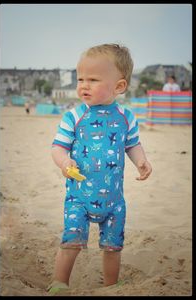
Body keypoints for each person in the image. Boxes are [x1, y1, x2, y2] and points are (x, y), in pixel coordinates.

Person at [49, 43, 152, 295]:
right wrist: (64, 162)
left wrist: (141, 160)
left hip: (114, 199)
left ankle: (111, 286)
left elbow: (133, 144)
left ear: (119, 86)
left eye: (93, 79)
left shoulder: (126, 117)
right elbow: (58, 147)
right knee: (71, 241)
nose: (84, 85)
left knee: (113, 246)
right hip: (79, 196)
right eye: (80, 78)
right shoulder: (74, 116)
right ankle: (59, 282)